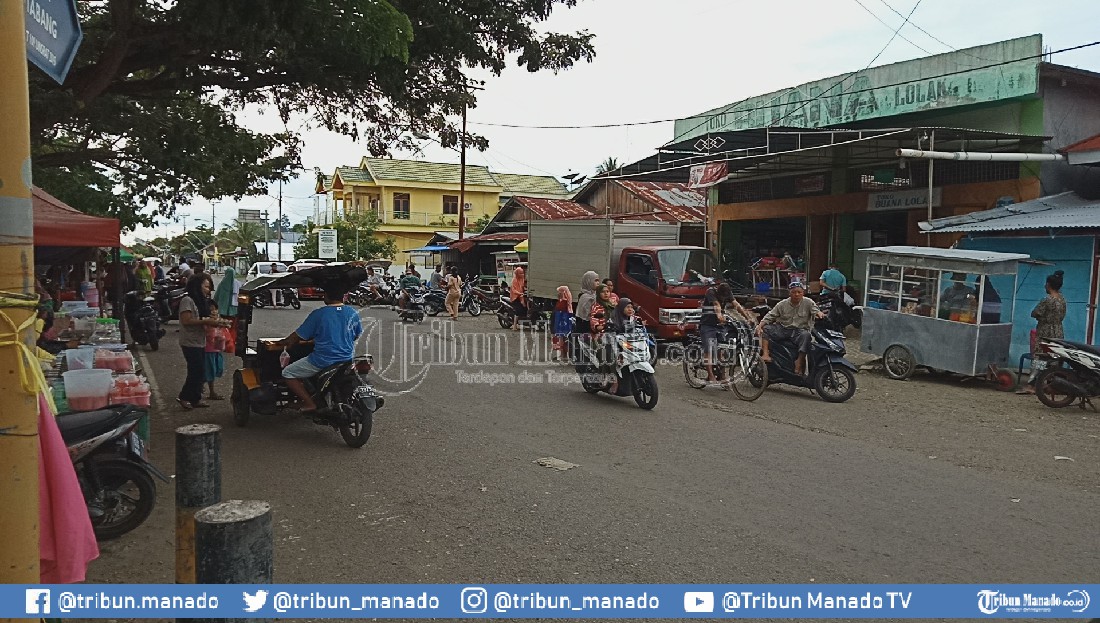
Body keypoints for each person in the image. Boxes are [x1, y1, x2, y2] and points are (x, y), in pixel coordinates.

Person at [265, 283, 362, 412]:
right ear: (343, 297)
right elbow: (356, 335)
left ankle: (309, 403)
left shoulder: (319, 314)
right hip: (347, 359)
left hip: (323, 360)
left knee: (287, 373)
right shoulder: (352, 312)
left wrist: (284, 342)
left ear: (326, 296)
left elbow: (298, 336)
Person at [177, 274, 229, 409]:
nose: (208, 290)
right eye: (205, 286)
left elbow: (206, 319)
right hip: (189, 341)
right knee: (195, 370)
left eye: (209, 287)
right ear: (196, 286)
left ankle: (195, 398)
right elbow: (186, 321)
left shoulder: (200, 301)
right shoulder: (187, 300)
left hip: (200, 340)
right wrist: (206, 321)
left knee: (200, 371)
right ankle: (184, 397)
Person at [756, 280, 825, 376]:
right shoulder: (782, 304)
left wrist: (820, 314)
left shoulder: (808, 302)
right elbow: (770, 316)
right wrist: (760, 326)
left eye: (799, 292)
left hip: (799, 331)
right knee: (767, 329)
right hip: (783, 329)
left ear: (803, 293)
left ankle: (799, 362)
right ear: (789, 293)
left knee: (807, 336)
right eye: (794, 292)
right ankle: (766, 354)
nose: (796, 294)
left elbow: (816, 311)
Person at [1019, 270, 1066, 395]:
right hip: (1058, 331)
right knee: (1055, 358)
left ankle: (1033, 384)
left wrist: (1038, 316)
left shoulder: (1047, 300)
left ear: (1049, 285)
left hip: (1045, 332)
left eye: (1046, 284)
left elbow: (1035, 313)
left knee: (1040, 358)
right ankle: (1053, 384)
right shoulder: (1062, 300)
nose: (1045, 286)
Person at [700, 282, 751, 385]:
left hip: (720, 325)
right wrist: (719, 315)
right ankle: (711, 376)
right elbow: (716, 305)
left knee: (722, 350)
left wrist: (748, 317)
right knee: (709, 350)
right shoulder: (711, 292)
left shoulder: (728, 293)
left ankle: (722, 375)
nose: (724, 299)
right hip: (707, 325)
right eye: (722, 297)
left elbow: (736, 305)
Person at [213, 266, 240, 357]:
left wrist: (214, 305)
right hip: (234, 310)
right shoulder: (237, 284)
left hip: (223, 311)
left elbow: (216, 296)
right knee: (233, 328)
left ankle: (225, 345)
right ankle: (231, 345)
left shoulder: (222, 284)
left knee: (224, 328)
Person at [204, 306, 227, 400]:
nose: (215, 316)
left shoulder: (219, 324)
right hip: (208, 350)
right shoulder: (206, 325)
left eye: (216, 314)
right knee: (210, 372)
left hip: (217, 349)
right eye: (212, 314)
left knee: (217, 369)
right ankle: (211, 392)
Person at [551, 286, 573, 362]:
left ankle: (564, 355)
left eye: (560, 292)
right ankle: (561, 355)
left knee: (563, 339)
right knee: (561, 339)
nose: (559, 294)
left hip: (563, 322)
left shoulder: (565, 302)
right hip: (560, 321)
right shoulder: (562, 301)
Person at [509, 266, 527, 330]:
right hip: (515, 297)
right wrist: (520, 293)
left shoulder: (522, 279)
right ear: (517, 273)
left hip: (521, 296)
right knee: (518, 311)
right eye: (520, 273)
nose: (522, 274)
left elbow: (523, 287)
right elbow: (513, 290)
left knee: (525, 308)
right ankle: (514, 326)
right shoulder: (514, 280)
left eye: (522, 273)